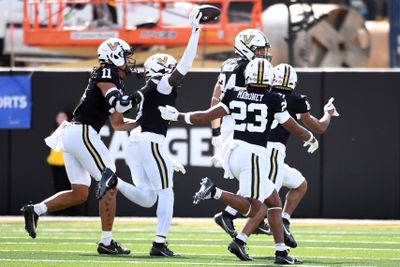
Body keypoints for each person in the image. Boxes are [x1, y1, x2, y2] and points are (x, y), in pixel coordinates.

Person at [158, 58, 318, 264]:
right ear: (269, 77)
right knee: (255, 208)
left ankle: (279, 252)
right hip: (253, 156)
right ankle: (214, 192)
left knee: (274, 201)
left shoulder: (234, 93)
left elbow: (205, 116)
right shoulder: (274, 99)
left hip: (233, 152)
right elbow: (294, 127)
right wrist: (310, 138)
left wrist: (179, 116)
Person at [21, 37, 159, 255]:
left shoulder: (113, 78)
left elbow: (117, 123)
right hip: (82, 132)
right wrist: (147, 89)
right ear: (113, 57)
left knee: (79, 193)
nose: (128, 61)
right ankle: (106, 242)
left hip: (74, 134)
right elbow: (120, 103)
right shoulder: (107, 72)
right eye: (124, 56)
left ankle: (35, 209)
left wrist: (144, 122)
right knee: (110, 180)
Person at [96, 7, 203, 257]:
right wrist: (195, 31)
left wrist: (166, 156)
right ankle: (159, 243)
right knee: (167, 192)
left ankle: (115, 181)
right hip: (149, 142)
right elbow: (186, 64)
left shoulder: (152, 87)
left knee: (148, 198)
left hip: (138, 142)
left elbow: (147, 121)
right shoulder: (162, 85)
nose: (177, 73)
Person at [212, 63, 340, 248]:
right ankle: (242, 239)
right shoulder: (295, 100)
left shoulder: (266, 95)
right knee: (266, 200)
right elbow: (318, 126)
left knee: (298, 185)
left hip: (257, 149)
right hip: (268, 153)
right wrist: (328, 114)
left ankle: (281, 222)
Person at [209, 28, 274, 237]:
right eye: (260, 49)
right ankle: (253, 215)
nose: (263, 54)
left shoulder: (227, 64)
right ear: (246, 49)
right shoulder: (248, 68)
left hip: (229, 122)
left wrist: (216, 131)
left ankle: (232, 215)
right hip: (242, 125)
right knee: (256, 173)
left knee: (256, 176)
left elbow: (215, 99)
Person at [46, 111, 83, 216]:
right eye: (59, 117)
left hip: (66, 164)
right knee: (58, 187)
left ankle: (67, 212)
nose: (60, 119)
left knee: (68, 188)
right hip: (55, 164)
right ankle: (57, 212)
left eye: (63, 117)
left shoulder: (70, 130)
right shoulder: (54, 131)